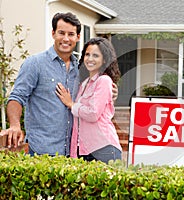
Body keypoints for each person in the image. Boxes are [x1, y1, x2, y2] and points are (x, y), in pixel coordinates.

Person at [0, 12, 118, 156]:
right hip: (41, 150)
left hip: (73, 153)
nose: (66, 39)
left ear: (78, 37)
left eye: (71, 34)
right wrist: (14, 125)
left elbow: (93, 98)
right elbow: (16, 97)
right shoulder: (35, 64)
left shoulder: (82, 70)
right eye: (61, 33)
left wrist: (111, 94)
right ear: (53, 33)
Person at [55, 37, 122, 163]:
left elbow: (93, 113)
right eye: (87, 54)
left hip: (104, 148)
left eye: (96, 55)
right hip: (84, 151)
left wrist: (71, 104)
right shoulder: (84, 84)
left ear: (104, 60)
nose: (90, 59)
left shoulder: (104, 81)